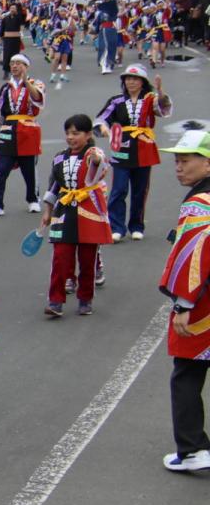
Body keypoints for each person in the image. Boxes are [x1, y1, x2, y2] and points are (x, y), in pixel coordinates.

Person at [156, 130, 210, 471]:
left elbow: (194, 255)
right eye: (176, 161)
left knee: (187, 372)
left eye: (186, 160)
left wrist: (183, 304)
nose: (178, 167)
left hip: (204, 304)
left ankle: (192, 450)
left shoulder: (198, 202)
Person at [39, 114, 113, 318]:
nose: (71, 137)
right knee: (60, 257)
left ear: (88, 135)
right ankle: (55, 301)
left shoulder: (92, 152)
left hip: (88, 209)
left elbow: (100, 163)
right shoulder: (59, 157)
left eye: (76, 133)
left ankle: (85, 298)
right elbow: (54, 185)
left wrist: (97, 160)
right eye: (68, 133)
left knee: (88, 258)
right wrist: (47, 211)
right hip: (64, 209)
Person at [94, 65, 173, 241]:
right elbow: (101, 119)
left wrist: (160, 91)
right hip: (122, 148)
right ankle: (116, 227)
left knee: (140, 190)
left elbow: (163, 108)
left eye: (135, 79)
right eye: (127, 79)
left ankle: (137, 225)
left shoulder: (150, 99)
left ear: (143, 82)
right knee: (119, 189)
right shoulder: (116, 101)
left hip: (144, 148)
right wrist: (104, 129)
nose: (131, 82)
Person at [0, 54, 46, 218]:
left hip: (28, 130)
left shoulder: (36, 83)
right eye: (12, 63)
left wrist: (27, 83)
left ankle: (33, 199)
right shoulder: (6, 87)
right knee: (2, 169)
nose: (14, 66)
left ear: (26, 66)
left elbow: (38, 99)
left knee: (29, 169)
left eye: (18, 63)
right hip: (8, 129)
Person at [0, 3, 25, 80]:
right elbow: (2, 29)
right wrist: (1, 37)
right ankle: (6, 72)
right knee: (6, 55)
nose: (12, 9)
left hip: (16, 39)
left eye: (14, 8)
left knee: (15, 56)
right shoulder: (5, 18)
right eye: (11, 8)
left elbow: (22, 18)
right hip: (7, 39)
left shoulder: (19, 17)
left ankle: (16, 72)